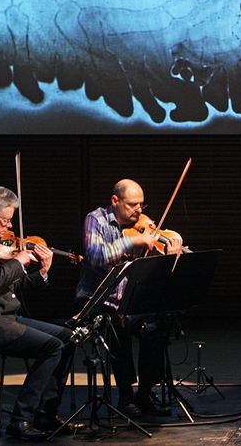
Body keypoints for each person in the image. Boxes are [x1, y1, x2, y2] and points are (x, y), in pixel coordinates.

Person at [0, 186, 80, 440]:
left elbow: (12, 285)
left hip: (5, 318)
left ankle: (46, 413)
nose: (10, 225)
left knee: (68, 337)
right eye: (7, 219)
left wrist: (42, 271)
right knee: (52, 347)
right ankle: (20, 420)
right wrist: (18, 261)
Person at [74, 179, 183, 417]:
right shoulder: (96, 220)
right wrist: (130, 241)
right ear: (115, 201)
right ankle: (125, 395)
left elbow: (150, 274)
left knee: (158, 322)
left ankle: (145, 391)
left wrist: (170, 258)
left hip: (130, 300)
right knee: (116, 323)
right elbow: (95, 257)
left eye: (142, 204)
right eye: (133, 205)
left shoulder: (143, 225)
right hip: (98, 299)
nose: (139, 210)